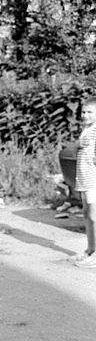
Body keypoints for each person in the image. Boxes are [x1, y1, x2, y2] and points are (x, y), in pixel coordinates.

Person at [72, 99, 96, 267]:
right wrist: (77, 144)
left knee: (94, 215)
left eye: (90, 112)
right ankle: (90, 249)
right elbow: (76, 149)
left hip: (92, 178)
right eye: (84, 112)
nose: (85, 115)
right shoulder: (86, 130)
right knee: (87, 214)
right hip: (84, 178)